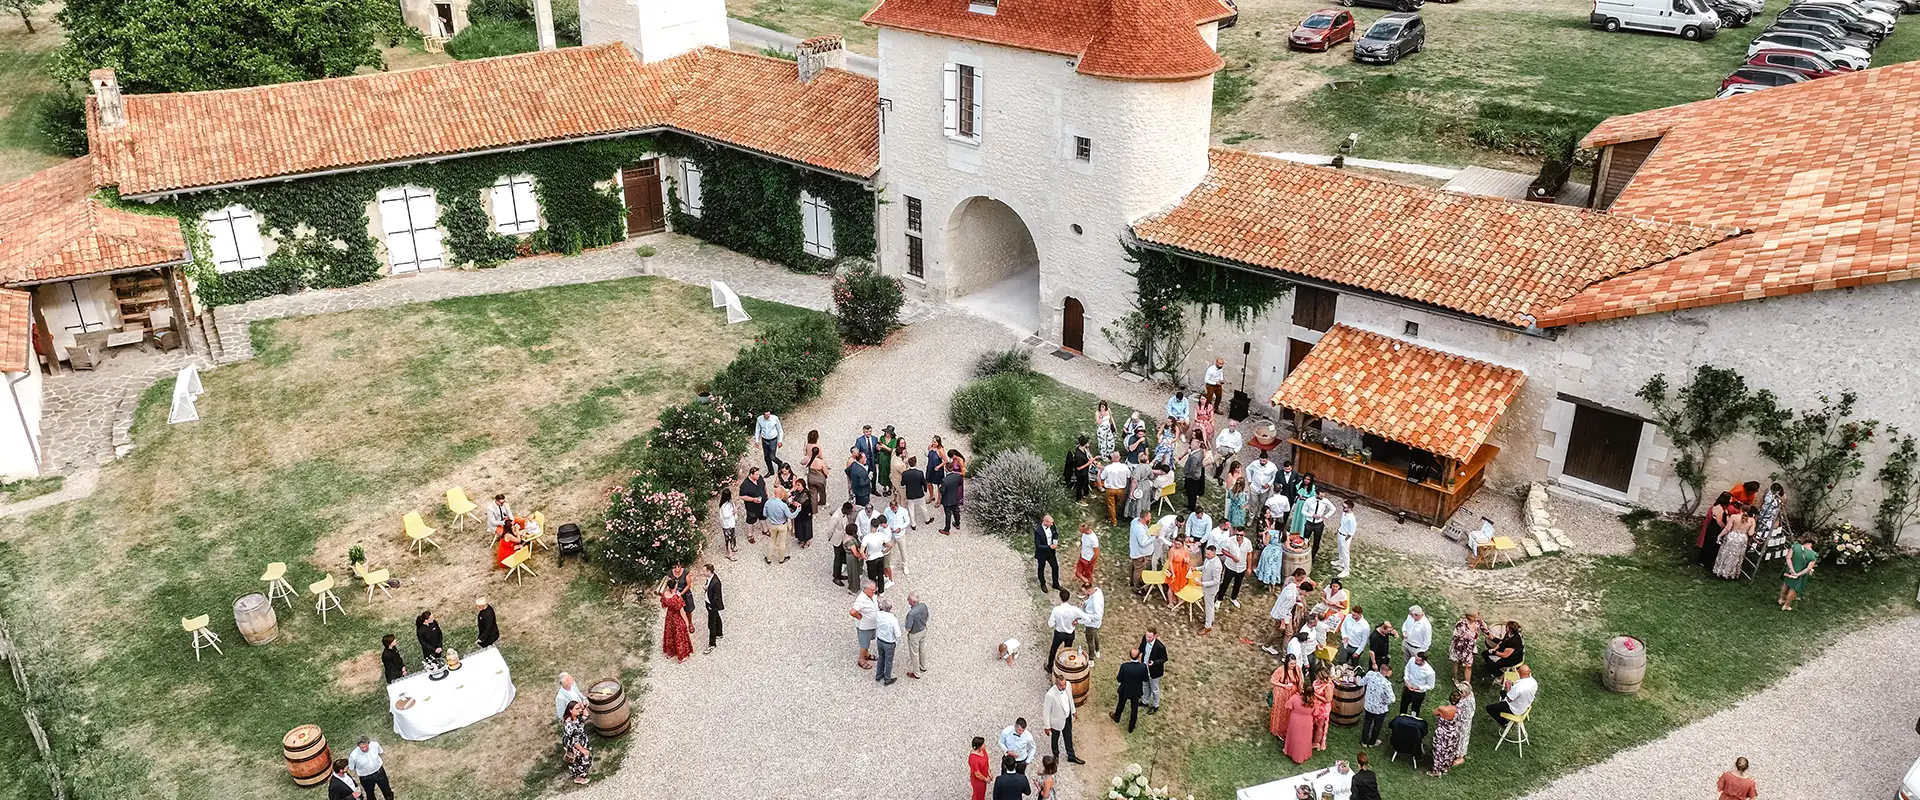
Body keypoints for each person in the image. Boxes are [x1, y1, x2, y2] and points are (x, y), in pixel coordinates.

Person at [1041, 676, 1083, 764]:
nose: (1063, 687)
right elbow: (1046, 711)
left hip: (1067, 717)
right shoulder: (1050, 695)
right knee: (1055, 738)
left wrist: (1074, 710)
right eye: (1061, 685)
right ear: (1056, 684)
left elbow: (1070, 699)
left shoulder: (1068, 685)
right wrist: (1047, 726)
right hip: (1056, 721)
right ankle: (1055, 755)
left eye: (1064, 684)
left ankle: (1071, 755)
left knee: (1068, 736)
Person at [1045, 590, 1087, 672]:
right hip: (1070, 634)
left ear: (1060, 598)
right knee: (1067, 651)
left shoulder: (1056, 610)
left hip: (1059, 633)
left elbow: (1050, 624)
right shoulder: (1074, 609)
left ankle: (1050, 666)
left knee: (1054, 649)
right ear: (1069, 598)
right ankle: (1065, 667)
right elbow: (1081, 616)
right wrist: (1076, 620)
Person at [1427, 693, 1466, 776]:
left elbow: (1434, 713)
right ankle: (1445, 768)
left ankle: (1436, 771)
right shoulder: (1460, 710)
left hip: (1443, 734)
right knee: (1449, 752)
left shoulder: (1443, 709)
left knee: (1439, 752)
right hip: (1453, 734)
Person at [1715, 502, 1756, 579]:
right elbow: (1750, 533)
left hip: (1732, 537)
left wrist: (1719, 535)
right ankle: (1731, 573)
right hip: (1742, 539)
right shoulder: (1751, 520)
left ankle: (1722, 571)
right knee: (1736, 556)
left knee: (1727, 554)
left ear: (1740, 509)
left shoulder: (1734, 517)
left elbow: (1727, 528)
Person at [1113, 648, 1150, 732]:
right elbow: (1145, 679)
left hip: (1125, 689)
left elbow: (1119, 679)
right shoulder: (1143, 667)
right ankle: (1131, 727)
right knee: (1134, 709)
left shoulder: (1124, 666)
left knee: (1120, 704)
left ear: (1130, 655)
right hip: (1136, 691)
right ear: (1139, 656)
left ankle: (1117, 717)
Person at [1283, 674, 1316, 764]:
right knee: (1305, 739)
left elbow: (1287, 706)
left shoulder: (1295, 698)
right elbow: (1316, 713)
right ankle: (1303, 755)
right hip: (1307, 722)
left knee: (1294, 736)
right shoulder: (1314, 702)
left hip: (1295, 720)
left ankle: (1291, 752)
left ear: (1303, 690)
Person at [1268, 654, 1303, 741]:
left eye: (1294, 663)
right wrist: (1283, 686)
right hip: (1282, 694)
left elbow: (1300, 680)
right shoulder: (1281, 670)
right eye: (1291, 664)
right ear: (1287, 662)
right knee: (1281, 711)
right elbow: (1273, 680)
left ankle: (1288, 729)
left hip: (1292, 693)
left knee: (1290, 712)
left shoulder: (1297, 669)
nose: (1293, 666)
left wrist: (1300, 690)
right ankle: (1279, 730)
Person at [1780, 534, 1818, 611]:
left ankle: (1781, 599)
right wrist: (1798, 574)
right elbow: (1808, 568)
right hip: (1800, 573)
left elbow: (1788, 558)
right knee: (1793, 589)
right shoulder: (1813, 555)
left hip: (1790, 569)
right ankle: (1786, 605)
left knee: (1786, 584)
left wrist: (1791, 569)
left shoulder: (1795, 546)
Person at [1359, 663, 1394, 746]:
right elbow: (1392, 699)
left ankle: (1364, 741)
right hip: (1380, 709)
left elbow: (1361, 683)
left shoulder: (1370, 674)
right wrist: (1385, 702)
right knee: (1377, 726)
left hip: (1368, 706)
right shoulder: (1386, 684)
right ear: (1386, 672)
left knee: (1367, 723)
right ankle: (1372, 742)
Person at [1697, 491, 1732, 568]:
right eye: (1730, 499)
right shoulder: (1718, 508)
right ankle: (1705, 562)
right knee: (1710, 545)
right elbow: (1719, 521)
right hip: (1714, 529)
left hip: (1718, 529)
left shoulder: (1724, 508)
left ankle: (1711, 562)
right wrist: (1725, 529)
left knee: (1715, 546)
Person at [1218, 527, 1251, 608]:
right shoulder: (1230, 540)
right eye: (1237, 535)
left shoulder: (1248, 542)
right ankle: (1219, 599)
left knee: (1238, 584)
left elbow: (1249, 554)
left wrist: (1249, 567)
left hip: (1241, 567)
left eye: (1241, 535)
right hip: (1230, 566)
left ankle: (1234, 598)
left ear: (1244, 534)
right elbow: (1223, 550)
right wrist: (1232, 557)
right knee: (1225, 583)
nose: (1239, 537)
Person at [1138, 629, 1170, 712]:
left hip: (1154, 671)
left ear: (1155, 636)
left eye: (1149, 637)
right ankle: (1145, 701)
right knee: (1145, 685)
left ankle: (1156, 705)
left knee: (1154, 689)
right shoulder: (1144, 639)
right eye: (1146, 636)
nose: (1147, 638)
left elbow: (1164, 658)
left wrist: (1154, 662)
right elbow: (1141, 648)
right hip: (1144, 668)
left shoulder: (1160, 647)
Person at [1450, 612, 1487, 684]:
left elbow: (1486, 631)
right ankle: (1455, 678)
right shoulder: (1461, 624)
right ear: (1469, 617)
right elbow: (1455, 638)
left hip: (1470, 648)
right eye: (1476, 616)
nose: (1478, 617)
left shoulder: (1479, 622)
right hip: (1459, 648)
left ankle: (1467, 684)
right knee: (1456, 662)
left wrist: (1493, 638)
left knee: (1468, 666)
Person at [561, 701, 591, 785]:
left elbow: (586, 715)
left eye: (579, 708)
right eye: (577, 708)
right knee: (579, 760)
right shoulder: (569, 724)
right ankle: (579, 778)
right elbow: (573, 741)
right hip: (574, 745)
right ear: (570, 710)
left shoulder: (577, 717)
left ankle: (582, 772)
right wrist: (582, 750)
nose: (579, 710)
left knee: (583, 758)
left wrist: (583, 707)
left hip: (581, 740)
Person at [659, 587, 692, 662]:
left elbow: (663, 606)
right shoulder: (676, 597)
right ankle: (682, 656)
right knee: (679, 635)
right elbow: (681, 611)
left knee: (670, 633)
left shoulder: (665, 595)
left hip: (669, 616)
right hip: (676, 616)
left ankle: (671, 652)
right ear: (675, 586)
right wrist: (686, 622)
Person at [852, 581, 880, 669]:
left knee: (868, 641)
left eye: (874, 589)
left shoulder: (872, 595)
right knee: (864, 644)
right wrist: (859, 617)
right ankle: (861, 660)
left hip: (871, 624)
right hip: (865, 626)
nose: (874, 591)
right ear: (865, 589)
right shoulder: (861, 600)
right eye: (872, 590)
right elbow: (853, 612)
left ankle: (866, 655)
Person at [873, 599, 902, 685]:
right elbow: (898, 634)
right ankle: (887, 679)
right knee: (888, 661)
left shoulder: (878, 614)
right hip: (889, 642)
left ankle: (878, 675)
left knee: (881, 657)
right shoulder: (893, 619)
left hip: (880, 640)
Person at [859, 520, 893, 594]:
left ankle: (873, 590)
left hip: (871, 558)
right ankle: (881, 591)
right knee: (881, 574)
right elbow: (890, 545)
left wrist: (865, 557)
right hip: (880, 556)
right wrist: (884, 551)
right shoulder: (881, 535)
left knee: (872, 577)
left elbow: (861, 551)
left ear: (870, 526)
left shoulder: (867, 537)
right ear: (878, 526)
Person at [1129, 510, 1157, 593]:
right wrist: (1153, 538)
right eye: (1149, 517)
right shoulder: (1140, 530)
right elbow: (1143, 543)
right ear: (1145, 518)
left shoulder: (1135, 521)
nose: (1151, 518)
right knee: (1138, 571)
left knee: (1134, 567)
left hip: (1135, 551)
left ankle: (1132, 581)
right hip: (1140, 554)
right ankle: (1137, 588)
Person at [882, 496, 911, 576]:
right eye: (891, 508)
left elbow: (907, 521)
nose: (893, 510)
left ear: (897, 506)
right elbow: (885, 519)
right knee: (888, 549)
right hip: (890, 534)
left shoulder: (903, 511)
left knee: (903, 550)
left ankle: (905, 565)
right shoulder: (887, 510)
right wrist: (888, 526)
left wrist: (901, 528)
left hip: (900, 534)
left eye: (894, 508)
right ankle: (888, 564)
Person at [904, 592, 931, 679]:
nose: (907, 600)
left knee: (914, 653)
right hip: (923, 630)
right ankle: (923, 666)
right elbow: (927, 616)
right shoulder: (923, 606)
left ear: (913, 601)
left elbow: (908, 628)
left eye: (909, 599)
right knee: (922, 649)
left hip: (914, 634)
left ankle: (916, 673)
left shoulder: (911, 614)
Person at [1034, 515, 1063, 592]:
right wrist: (1049, 547)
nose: (1052, 524)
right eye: (1051, 523)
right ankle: (1042, 583)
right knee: (1041, 568)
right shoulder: (1038, 531)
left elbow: (1055, 534)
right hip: (1042, 553)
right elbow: (1038, 545)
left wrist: (1055, 541)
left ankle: (1055, 584)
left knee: (1055, 567)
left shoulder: (1052, 526)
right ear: (1046, 522)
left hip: (1051, 553)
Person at [1100, 454, 1132, 525]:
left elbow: (1102, 477)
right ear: (1119, 458)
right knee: (1118, 504)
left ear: (1111, 458)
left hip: (1110, 489)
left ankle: (1113, 521)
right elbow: (1128, 476)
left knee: (1111, 505)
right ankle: (1118, 516)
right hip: (1121, 489)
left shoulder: (1108, 468)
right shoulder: (1125, 467)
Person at [1199, 546, 1224, 634]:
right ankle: (1210, 619)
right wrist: (1197, 568)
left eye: (1208, 554)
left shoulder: (1217, 566)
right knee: (1210, 606)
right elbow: (1205, 567)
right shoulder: (1208, 559)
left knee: (1209, 607)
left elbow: (1216, 581)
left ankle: (1208, 626)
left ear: (1214, 553)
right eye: (1206, 553)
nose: (1206, 555)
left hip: (1210, 589)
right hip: (1206, 587)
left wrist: (1202, 584)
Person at [701, 564, 724, 654]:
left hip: (712, 606)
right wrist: (706, 588)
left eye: (704, 571)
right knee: (717, 617)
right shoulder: (710, 578)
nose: (703, 572)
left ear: (709, 571)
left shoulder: (716, 582)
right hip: (709, 603)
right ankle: (719, 633)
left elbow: (717, 597)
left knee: (711, 624)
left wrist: (712, 605)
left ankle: (712, 644)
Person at [1331, 500, 1358, 578]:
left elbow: (1352, 531)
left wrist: (1346, 539)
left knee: (1345, 553)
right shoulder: (1344, 513)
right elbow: (1342, 523)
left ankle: (1346, 569)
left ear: (1350, 508)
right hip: (1340, 533)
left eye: (1345, 507)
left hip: (1345, 536)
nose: (1343, 508)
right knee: (1340, 549)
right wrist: (1338, 530)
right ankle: (1340, 561)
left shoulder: (1352, 518)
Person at [739, 468, 766, 545]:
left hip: (762, 503)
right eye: (756, 475)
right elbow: (742, 496)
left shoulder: (759, 478)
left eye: (758, 474)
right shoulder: (745, 485)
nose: (758, 476)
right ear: (751, 474)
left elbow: (764, 486)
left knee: (762, 516)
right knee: (751, 520)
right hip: (752, 506)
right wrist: (753, 499)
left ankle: (765, 530)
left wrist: (766, 495)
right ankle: (750, 535)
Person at [665, 563, 695, 632]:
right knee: (676, 612)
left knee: (688, 610)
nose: (676, 569)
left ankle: (690, 624)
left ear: (680, 566)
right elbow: (669, 585)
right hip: (675, 595)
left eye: (677, 567)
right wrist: (672, 594)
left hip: (685, 594)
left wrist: (681, 594)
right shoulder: (670, 573)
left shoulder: (685, 572)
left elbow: (688, 585)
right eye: (674, 567)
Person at [941, 456, 967, 533]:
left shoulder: (944, 480)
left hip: (947, 499)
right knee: (956, 511)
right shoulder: (958, 476)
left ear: (946, 469)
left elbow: (942, 491)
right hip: (955, 497)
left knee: (948, 514)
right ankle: (957, 523)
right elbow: (959, 484)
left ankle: (947, 529)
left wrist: (940, 487)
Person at [1080, 583, 1106, 660]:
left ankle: (1091, 658)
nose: (1084, 593)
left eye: (1084, 591)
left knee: (1090, 641)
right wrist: (1085, 602)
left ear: (1088, 590)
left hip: (1091, 623)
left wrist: (1086, 616)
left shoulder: (1096, 601)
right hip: (1095, 624)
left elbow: (1097, 616)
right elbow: (1090, 599)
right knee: (1095, 635)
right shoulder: (1097, 590)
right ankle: (1097, 650)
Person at [1181, 440, 1207, 513]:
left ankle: (1191, 508)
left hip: (1192, 477)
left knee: (1191, 492)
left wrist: (1187, 474)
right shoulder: (1200, 452)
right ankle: (1190, 505)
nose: (1190, 445)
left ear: (1195, 446)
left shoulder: (1194, 457)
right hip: (1197, 475)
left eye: (1192, 444)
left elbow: (1192, 469)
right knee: (1192, 492)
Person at [754, 410, 783, 474]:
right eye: (766, 415)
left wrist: (780, 440)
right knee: (766, 457)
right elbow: (757, 430)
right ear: (763, 414)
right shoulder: (759, 419)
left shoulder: (775, 418)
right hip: (764, 440)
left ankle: (780, 463)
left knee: (772, 456)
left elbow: (780, 429)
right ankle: (771, 471)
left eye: (769, 414)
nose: (768, 416)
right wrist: (757, 441)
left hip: (773, 439)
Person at [1067, 436, 1094, 503]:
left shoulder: (1084, 449)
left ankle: (1086, 493)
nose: (1089, 444)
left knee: (1086, 483)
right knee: (1080, 486)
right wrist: (1089, 463)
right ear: (1085, 444)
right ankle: (1078, 499)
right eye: (1088, 443)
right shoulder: (1078, 456)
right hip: (1081, 473)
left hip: (1085, 472)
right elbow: (1079, 468)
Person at [876, 425, 899, 497]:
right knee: (882, 471)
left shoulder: (894, 440)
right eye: (886, 432)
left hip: (889, 457)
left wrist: (885, 447)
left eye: (889, 433)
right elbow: (879, 446)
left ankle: (890, 487)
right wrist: (878, 447)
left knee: (889, 471)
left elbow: (893, 450)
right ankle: (884, 486)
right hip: (882, 457)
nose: (887, 434)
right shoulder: (882, 437)